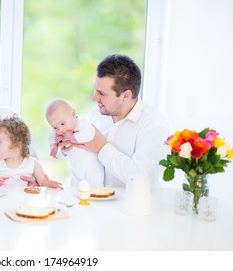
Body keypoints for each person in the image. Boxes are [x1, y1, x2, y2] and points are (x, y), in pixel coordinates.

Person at [58, 54, 169, 188]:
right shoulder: (97, 113)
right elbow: (85, 159)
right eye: (95, 90)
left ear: (126, 96)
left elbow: (143, 180)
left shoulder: (153, 124)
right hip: (90, 202)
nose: (94, 98)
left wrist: (102, 148)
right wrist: (67, 146)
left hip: (129, 206)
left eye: (102, 93)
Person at [0, 114, 62, 189]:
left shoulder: (32, 164)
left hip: (24, 201)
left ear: (16, 145)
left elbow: (42, 183)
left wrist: (48, 184)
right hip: (2, 201)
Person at [45, 98, 104, 187]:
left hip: (91, 166)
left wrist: (73, 137)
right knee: (74, 189)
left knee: (95, 187)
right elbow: (52, 135)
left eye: (62, 124)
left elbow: (90, 133)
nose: (60, 130)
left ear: (73, 114)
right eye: (55, 127)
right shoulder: (59, 129)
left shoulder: (81, 123)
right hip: (76, 167)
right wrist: (53, 145)